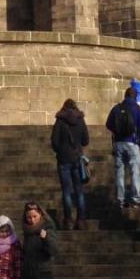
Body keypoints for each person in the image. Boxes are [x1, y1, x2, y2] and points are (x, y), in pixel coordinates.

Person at [105, 86, 140, 210]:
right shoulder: (138, 109)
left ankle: (121, 200)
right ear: (135, 97)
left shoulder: (116, 108)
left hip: (118, 143)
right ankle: (135, 199)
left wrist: (117, 132)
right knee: (135, 171)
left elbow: (108, 124)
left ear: (125, 95)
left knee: (120, 172)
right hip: (133, 143)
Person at [50, 97, 90, 230]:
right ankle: (81, 220)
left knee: (66, 191)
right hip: (77, 159)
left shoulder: (60, 121)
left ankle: (68, 220)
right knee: (79, 191)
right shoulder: (80, 120)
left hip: (63, 160)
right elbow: (85, 140)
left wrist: (61, 150)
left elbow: (54, 141)